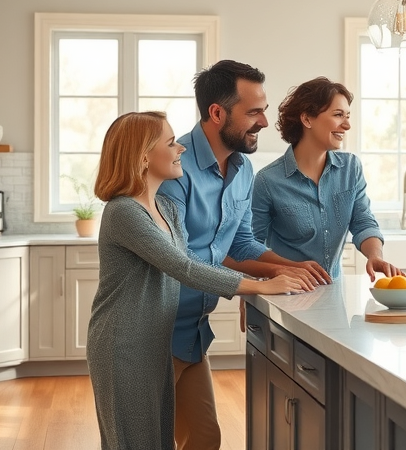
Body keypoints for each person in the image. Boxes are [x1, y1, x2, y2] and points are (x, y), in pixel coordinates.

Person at [87, 112, 306, 450]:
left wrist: (274, 270)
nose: (181, 149)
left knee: (163, 441)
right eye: (170, 143)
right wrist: (258, 285)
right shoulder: (123, 212)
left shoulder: (167, 209)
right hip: (124, 344)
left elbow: (194, 259)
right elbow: (183, 267)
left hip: (158, 339)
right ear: (143, 157)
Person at [157, 60, 322, 450]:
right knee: (154, 439)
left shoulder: (243, 169)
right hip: (157, 330)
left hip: (194, 329)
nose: (264, 122)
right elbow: (179, 261)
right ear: (217, 113)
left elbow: (239, 243)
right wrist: (259, 285)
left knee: (204, 438)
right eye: (254, 112)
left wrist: (292, 267)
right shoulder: (174, 169)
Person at [252, 76, 403, 281]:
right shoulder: (267, 181)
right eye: (338, 115)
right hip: (285, 292)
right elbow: (250, 246)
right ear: (307, 119)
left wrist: (375, 256)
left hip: (333, 292)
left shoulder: (350, 169)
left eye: (348, 116)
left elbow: (363, 222)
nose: (347, 125)